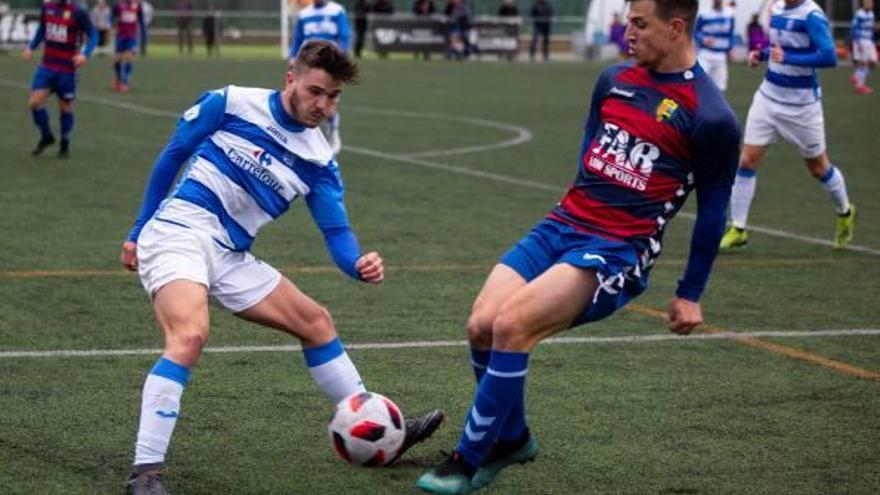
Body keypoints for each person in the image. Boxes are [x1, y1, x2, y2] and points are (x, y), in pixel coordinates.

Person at [416, 0, 740, 493]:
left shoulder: (711, 116)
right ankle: (515, 438)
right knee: (481, 325)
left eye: (639, 24)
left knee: (512, 325)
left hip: (617, 250)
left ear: (676, 27)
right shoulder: (613, 80)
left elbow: (714, 210)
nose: (626, 32)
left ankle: (467, 460)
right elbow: (590, 149)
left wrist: (690, 292)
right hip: (562, 224)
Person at [119, 41, 444, 495]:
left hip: (229, 254)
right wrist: (138, 229)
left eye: (333, 98)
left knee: (316, 322)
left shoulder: (318, 160)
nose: (323, 106)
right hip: (178, 233)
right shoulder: (230, 103)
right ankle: (145, 474)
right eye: (316, 92)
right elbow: (172, 156)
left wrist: (357, 263)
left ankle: (376, 427)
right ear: (291, 76)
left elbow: (337, 234)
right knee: (189, 335)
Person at [720, 0, 856, 251]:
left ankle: (845, 211)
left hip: (802, 108)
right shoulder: (777, 8)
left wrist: (788, 57)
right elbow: (778, 46)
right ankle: (738, 228)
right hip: (768, 98)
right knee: (747, 160)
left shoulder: (812, 15)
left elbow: (828, 56)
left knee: (818, 167)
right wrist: (759, 55)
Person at [23, 0, 96, 158]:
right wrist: (31, 47)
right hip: (47, 66)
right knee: (34, 103)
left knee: (65, 107)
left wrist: (85, 54)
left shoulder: (78, 11)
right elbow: (43, 29)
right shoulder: (47, 7)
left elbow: (93, 34)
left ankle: (65, 143)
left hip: (67, 69)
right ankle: (47, 136)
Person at [289, 0, 351, 155]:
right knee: (302, 101)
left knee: (328, 105)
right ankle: (300, 139)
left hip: (329, 66)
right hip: (308, 66)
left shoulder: (337, 11)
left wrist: (341, 59)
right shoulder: (304, 14)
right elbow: (297, 40)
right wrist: (292, 58)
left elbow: (344, 37)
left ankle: (332, 131)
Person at [694, 0, 735, 91]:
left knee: (720, 88)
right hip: (705, 55)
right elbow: (695, 32)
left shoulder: (729, 14)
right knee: (698, 84)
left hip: (721, 56)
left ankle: (713, 105)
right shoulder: (704, 13)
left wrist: (730, 49)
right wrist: (703, 39)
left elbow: (730, 33)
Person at [111, 0, 146, 92]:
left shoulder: (137, 6)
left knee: (128, 57)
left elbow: (141, 22)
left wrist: (143, 37)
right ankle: (118, 79)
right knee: (117, 60)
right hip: (120, 36)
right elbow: (112, 17)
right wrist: (111, 22)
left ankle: (125, 82)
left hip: (131, 36)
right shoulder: (118, 5)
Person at [850, 0, 876, 94]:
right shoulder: (859, 14)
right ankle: (860, 86)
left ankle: (856, 76)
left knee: (873, 62)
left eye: (871, 3)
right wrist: (857, 42)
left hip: (869, 40)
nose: (870, 5)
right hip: (861, 40)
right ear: (864, 4)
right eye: (868, 3)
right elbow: (854, 28)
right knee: (863, 63)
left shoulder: (872, 14)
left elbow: (871, 27)